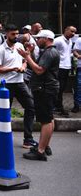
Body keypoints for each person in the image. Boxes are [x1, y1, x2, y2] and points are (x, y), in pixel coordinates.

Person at [17, 30, 59, 161]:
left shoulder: (49, 52)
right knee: (49, 118)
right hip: (47, 89)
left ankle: (40, 150)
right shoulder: (48, 52)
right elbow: (39, 66)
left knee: (46, 120)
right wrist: (30, 54)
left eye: (39, 38)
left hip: (45, 89)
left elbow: (39, 70)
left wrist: (27, 56)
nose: (36, 41)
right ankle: (44, 146)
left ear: (46, 39)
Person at [0, 24, 37, 148]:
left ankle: (28, 138)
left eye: (17, 33)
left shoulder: (19, 46)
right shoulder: (1, 49)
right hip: (6, 85)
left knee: (31, 107)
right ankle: (2, 136)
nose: (16, 36)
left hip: (20, 82)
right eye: (13, 34)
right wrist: (12, 68)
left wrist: (23, 67)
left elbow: (24, 60)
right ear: (6, 34)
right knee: (5, 111)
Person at [53, 26, 77, 117]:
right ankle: (58, 107)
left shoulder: (70, 41)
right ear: (66, 30)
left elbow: (67, 53)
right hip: (59, 67)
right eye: (71, 31)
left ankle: (58, 106)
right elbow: (51, 49)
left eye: (75, 32)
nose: (73, 33)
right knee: (58, 88)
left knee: (62, 88)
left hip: (66, 67)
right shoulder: (58, 40)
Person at [73, 35, 81, 113]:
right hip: (80, 67)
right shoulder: (79, 39)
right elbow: (75, 51)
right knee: (78, 86)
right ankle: (77, 105)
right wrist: (78, 55)